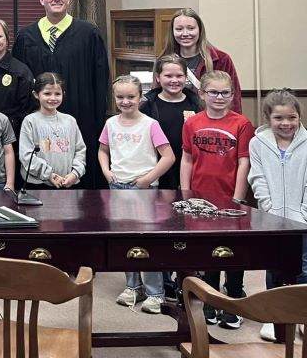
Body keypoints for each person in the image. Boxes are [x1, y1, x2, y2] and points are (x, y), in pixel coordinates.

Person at [13, 0, 109, 188]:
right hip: (38, 124)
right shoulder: (26, 36)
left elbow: (100, 80)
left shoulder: (88, 33)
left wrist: (97, 118)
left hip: (80, 116)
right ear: (42, 0)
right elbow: (19, 83)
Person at [181, 70, 254, 329]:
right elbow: (187, 158)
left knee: (233, 250)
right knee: (209, 251)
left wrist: (238, 197)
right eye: (213, 92)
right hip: (201, 199)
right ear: (202, 94)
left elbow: (244, 161)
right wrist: (186, 192)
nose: (219, 97)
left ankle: (233, 299)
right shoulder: (192, 123)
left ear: (233, 95)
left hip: (231, 200)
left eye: (225, 92)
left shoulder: (242, 124)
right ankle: (211, 300)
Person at [98, 75, 174, 314]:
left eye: (131, 97)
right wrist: (107, 172)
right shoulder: (111, 124)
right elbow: (102, 150)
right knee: (125, 239)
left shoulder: (150, 124)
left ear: (140, 97)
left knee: (145, 240)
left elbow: (168, 156)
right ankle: (133, 286)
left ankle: (155, 292)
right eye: (120, 97)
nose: (125, 101)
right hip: (117, 187)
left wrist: (147, 179)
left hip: (143, 189)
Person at [249, 89, 307, 342]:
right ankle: (274, 319)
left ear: (299, 117)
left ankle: (302, 317)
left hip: (303, 220)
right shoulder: (257, 143)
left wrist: (303, 213)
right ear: (268, 118)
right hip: (271, 220)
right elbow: (257, 178)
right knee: (274, 268)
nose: (286, 124)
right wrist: (269, 208)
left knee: (303, 268)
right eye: (279, 118)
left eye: (292, 118)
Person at [159, 8, 242, 113]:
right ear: (172, 32)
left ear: (200, 30)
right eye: (179, 29)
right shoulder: (163, 61)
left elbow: (234, 98)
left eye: (191, 28)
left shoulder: (221, 59)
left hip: (211, 120)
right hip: (172, 119)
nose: (185, 33)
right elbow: (157, 95)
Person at [139, 54, 202, 190]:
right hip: (157, 170)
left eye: (179, 76)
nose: (174, 80)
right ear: (158, 77)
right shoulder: (147, 106)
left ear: (186, 77)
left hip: (188, 167)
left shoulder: (196, 104)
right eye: (168, 76)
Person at [19, 72, 86, 189]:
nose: (53, 98)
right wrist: (49, 174)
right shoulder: (30, 121)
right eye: (47, 93)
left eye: (57, 94)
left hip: (67, 183)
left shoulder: (70, 121)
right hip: (38, 185)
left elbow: (80, 150)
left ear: (63, 94)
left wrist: (75, 173)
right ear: (36, 94)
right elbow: (26, 155)